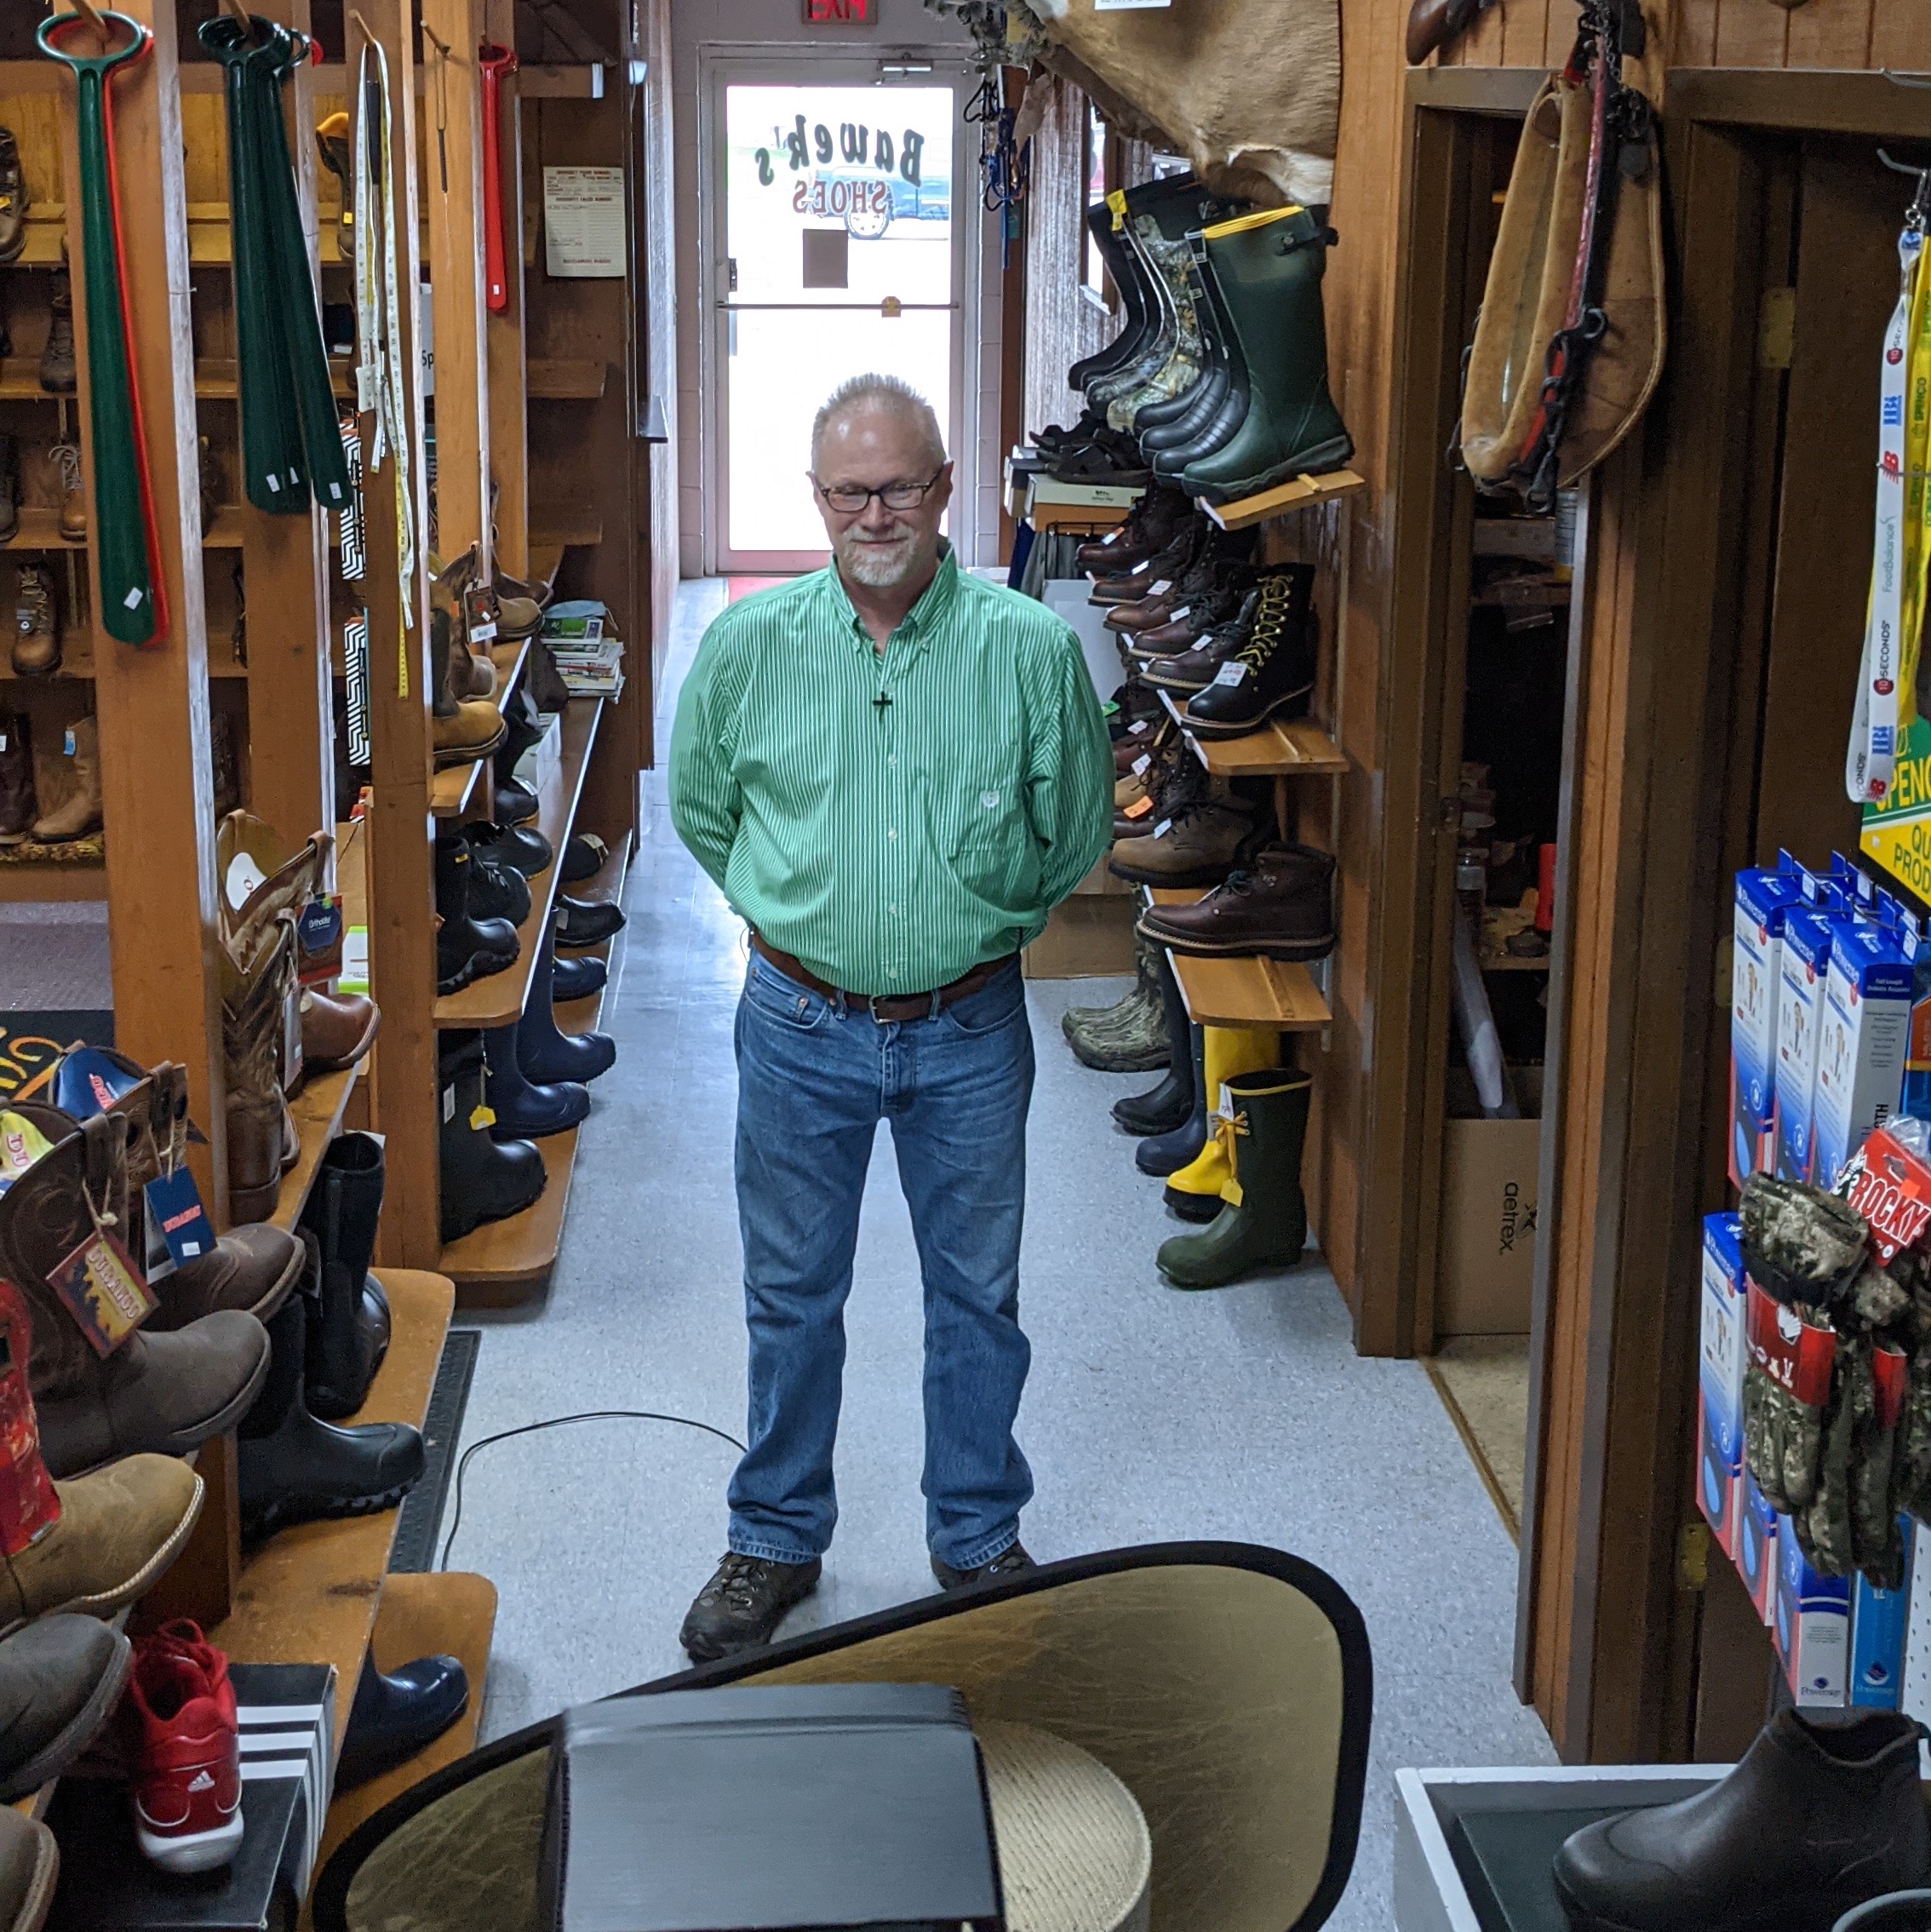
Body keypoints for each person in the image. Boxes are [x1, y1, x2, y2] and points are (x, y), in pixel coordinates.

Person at [667, 373, 1114, 1660]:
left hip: (968, 1029)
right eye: (851, 491)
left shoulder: (1027, 650)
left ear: (946, 490)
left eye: (902, 486)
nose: (878, 514)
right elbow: (702, 807)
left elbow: (1074, 826)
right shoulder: (751, 647)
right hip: (797, 1023)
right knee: (791, 1293)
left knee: (978, 1296)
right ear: (816, 499)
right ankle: (775, 1534)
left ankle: (974, 1535)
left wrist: (980, 916)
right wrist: (793, 905)